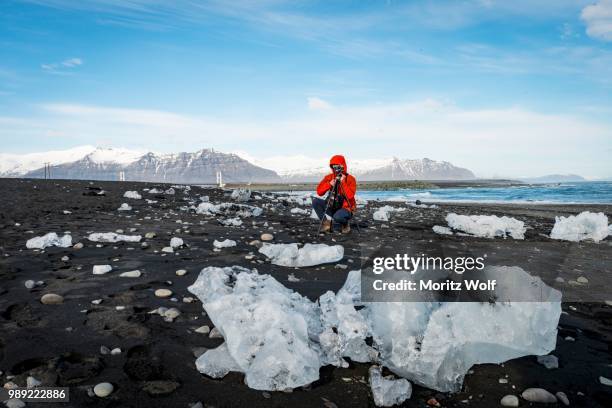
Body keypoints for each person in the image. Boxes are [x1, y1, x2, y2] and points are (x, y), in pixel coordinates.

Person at [312, 154, 357, 233]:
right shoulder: (329, 177)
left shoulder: (350, 179)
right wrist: (329, 184)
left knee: (338, 217)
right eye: (334, 166)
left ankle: (345, 223)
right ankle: (326, 224)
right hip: (332, 206)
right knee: (316, 202)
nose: (336, 169)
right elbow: (319, 192)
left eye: (338, 166)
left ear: (343, 166)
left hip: (346, 208)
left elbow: (350, 196)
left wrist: (343, 182)